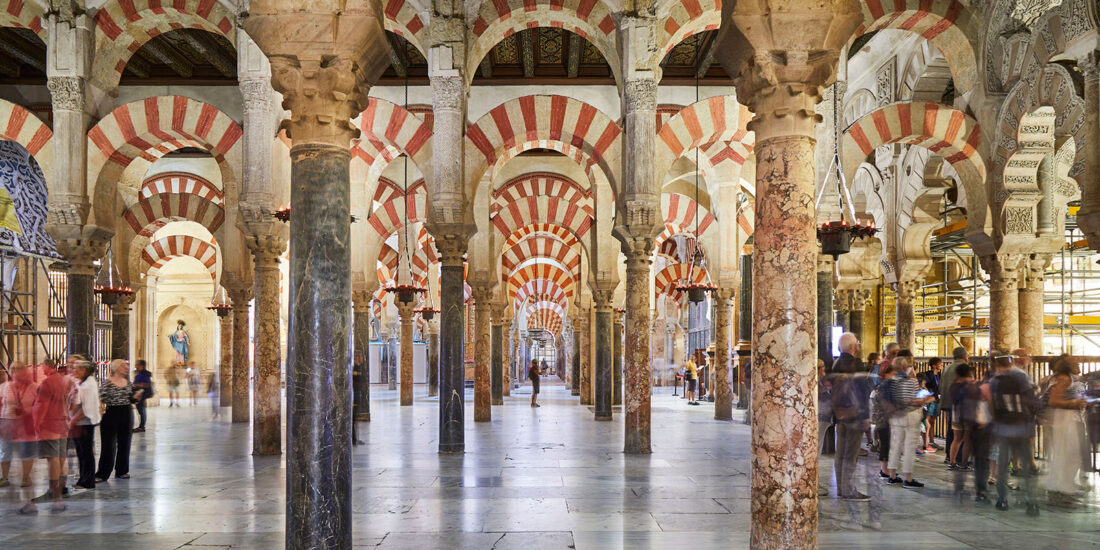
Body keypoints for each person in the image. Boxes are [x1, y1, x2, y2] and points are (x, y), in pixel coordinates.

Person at [21, 359, 74, 514]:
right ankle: (59, 490)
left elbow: (41, 406)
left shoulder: (47, 383)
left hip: (50, 425)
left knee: (53, 458)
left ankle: (54, 493)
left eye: (42, 366)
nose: (40, 369)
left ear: (48, 366)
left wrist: (37, 424)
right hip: (62, 423)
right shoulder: (63, 381)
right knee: (60, 457)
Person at [990, 352, 1039, 516]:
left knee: (1003, 466)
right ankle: (1031, 503)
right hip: (1021, 427)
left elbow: (992, 406)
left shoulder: (995, 381)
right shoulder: (1021, 377)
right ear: (1010, 362)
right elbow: (1031, 401)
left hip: (1003, 428)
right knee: (1025, 467)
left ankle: (1002, 500)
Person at [1041, 355, 1089, 505]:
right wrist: (1074, 403)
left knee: (1070, 453)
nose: (1079, 364)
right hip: (1066, 419)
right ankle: (1062, 487)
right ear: (1068, 366)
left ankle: (1063, 485)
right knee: (1069, 453)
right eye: (1075, 363)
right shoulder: (1064, 379)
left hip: (1070, 418)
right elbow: (1053, 401)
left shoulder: (1070, 378)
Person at [829, 332, 870, 500]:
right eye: (857, 343)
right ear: (854, 346)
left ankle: (841, 488)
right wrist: (865, 416)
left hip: (840, 414)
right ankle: (849, 490)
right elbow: (862, 391)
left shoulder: (836, 363)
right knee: (851, 455)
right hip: (855, 415)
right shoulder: (856, 364)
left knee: (840, 453)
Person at [885, 355, 934, 488]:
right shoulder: (912, 381)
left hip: (895, 416)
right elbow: (915, 398)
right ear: (906, 367)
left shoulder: (890, 382)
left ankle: (892, 476)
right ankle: (908, 478)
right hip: (910, 415)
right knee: (909, 447)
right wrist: (924, 400)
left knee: (895, 446)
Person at [96, 359, 140, 482]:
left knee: (125, 443)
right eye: (123, 365)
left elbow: (131, 399)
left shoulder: (128, 382)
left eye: (126, 365)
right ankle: (102, 473)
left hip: (126, 413)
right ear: (115, 368)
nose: (126, 367)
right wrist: (100, 412)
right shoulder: (107, 383)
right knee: (108, 445)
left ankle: (122, 471)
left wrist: (135, 397)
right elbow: (101, 398)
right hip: (112, 413)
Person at [2, 362, 36, 488]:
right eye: (13, 369)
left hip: (25, 423)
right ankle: (4, 477)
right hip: (7, 421)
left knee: (26, 450)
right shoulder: (5, 386)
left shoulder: (33, 387)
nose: (15, 371)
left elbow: (40, 406)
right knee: (5, 450)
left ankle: (26, 477)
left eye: (18, 369)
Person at [68, 359, 100, 490]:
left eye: (76, 368)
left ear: (84, 370)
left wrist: (72, 421)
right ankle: (83, 479)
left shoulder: (88, 385)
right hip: (80, 422)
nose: (73, 370)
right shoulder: (86, 381)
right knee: (81, 453)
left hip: (84, 423)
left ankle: (88, 481)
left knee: (85, 453)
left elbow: (84, 409)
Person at [941, 347, 968, 468]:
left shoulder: (947, 367)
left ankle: (949, 455)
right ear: (964, 356)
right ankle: (958, 457)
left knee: (950, 429)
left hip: (947, 401)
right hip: (959, 404)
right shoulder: (963, 367)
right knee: (960, 432)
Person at [870, 364, 896, 478]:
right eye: (893, 374)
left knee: (886, 443)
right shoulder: (885, 386)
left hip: (882, 418)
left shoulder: (882, 386)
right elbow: (885, 404)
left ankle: (885, 469)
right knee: (886, 443)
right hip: (884, 418)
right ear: (886, 374)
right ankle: (885, 470)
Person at [817, 358, 832, 497]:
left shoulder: (821, 383)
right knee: (815, 451)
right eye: (822, 369)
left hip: (823, 419)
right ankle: (813, 482)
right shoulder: (817, 384)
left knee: (818, 450)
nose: (824, 371)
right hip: (819, 419)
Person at [132, 360, 152, 432]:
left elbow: (146, 384)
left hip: (141, 394)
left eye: (137, 365)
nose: (136, 366)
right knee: (141, 410)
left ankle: (142, 427)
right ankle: (142, 426)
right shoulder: (141, 373)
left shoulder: (144, 375)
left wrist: (135, 384)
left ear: (142, 366)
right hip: (140, 393)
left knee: (141, 410)